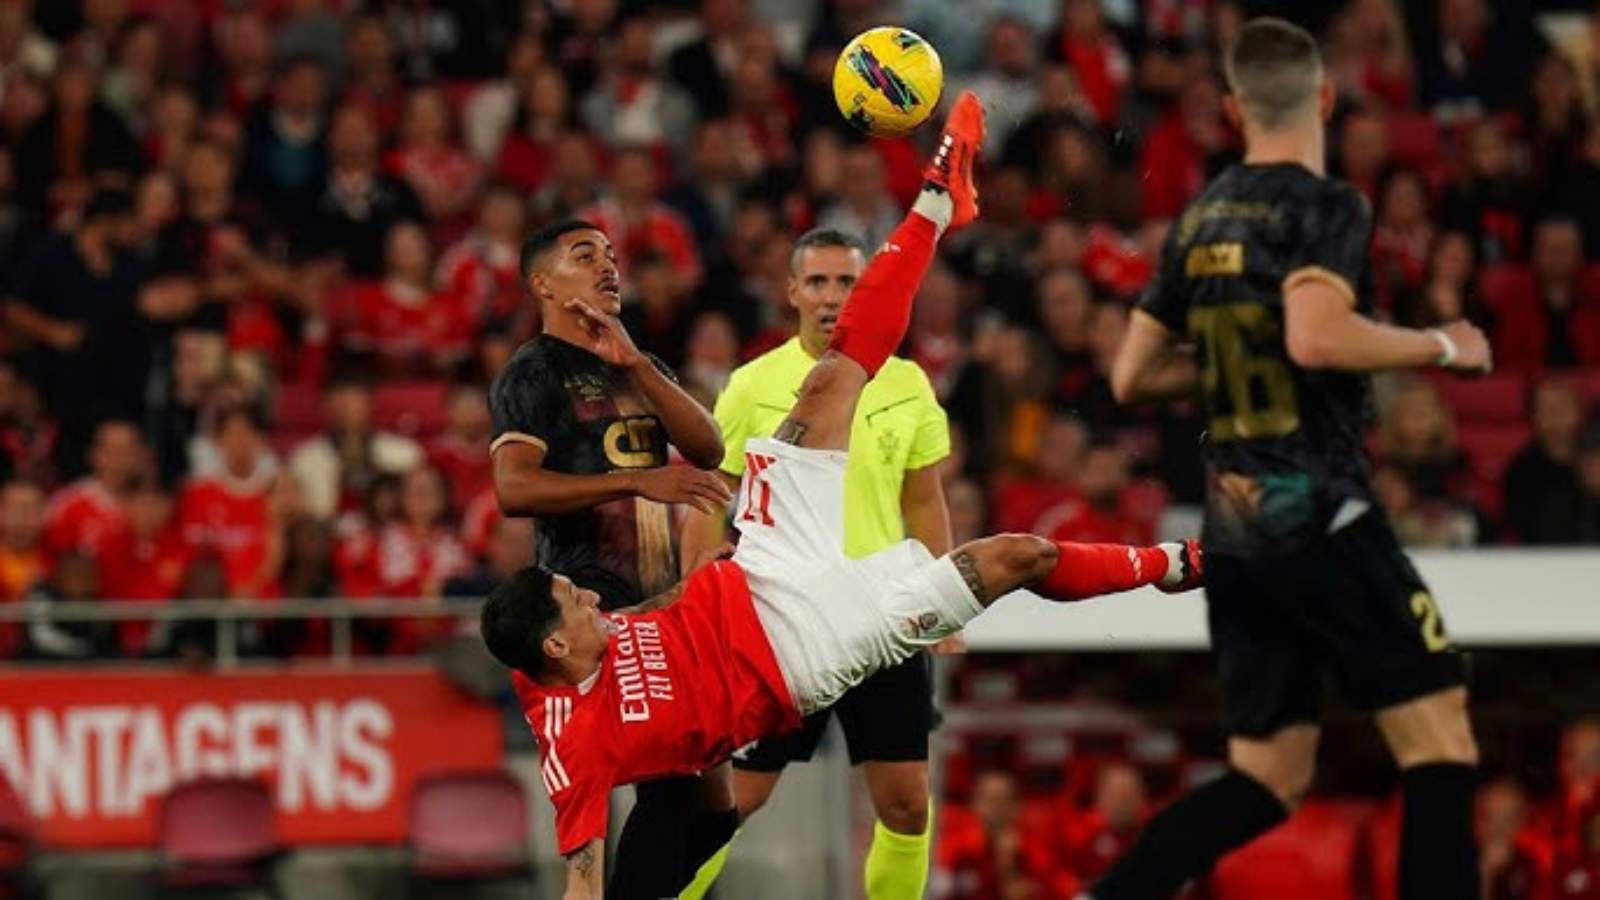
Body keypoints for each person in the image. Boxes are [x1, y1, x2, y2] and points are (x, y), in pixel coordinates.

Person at [480, 92, 1203, 899]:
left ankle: (938, 197)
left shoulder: (553, 654)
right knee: (1014, 557)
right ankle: (1185, 563)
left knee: (830, 383)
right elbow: (581, 876)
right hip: (813, 645)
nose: (582, 597)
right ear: (554, 643)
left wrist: (693, 566)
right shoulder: (575, 746)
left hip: (758, 567)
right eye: (571, 602)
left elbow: (698, 494)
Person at [1102, 19, 1492, 900]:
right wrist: (1439, 345)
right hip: (1318, 507)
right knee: (1440, 743)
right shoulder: (1327, 206)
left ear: (1235, 110)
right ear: (1323, 98)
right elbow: (1315, 339)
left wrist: (1235, 355)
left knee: (1267, 774)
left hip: (1233, 526)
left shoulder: (1199, 218)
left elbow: (1131, 376)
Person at [678, 227, 954, 900]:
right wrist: (691, 602)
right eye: (820, 282)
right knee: (734, 800)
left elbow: (923, 498)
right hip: (780, 618)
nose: (833, 297)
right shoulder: (752, 385)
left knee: (907, 804)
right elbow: (706, 500)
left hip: (883, 616)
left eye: (848, 283)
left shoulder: (908, 383)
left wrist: (946, 600)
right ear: (792, 291)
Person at [487, 206, 731, 896]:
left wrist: (639, 367)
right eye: (584, 255)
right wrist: (635, 479)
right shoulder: (531, 374)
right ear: (542, 283)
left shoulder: (635, 362)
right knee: (673, 794)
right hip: (594, 604)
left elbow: (711, 447)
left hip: (665, 600)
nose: (608, 266)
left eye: (610, 255)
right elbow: (512, 486)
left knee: (717, 809)